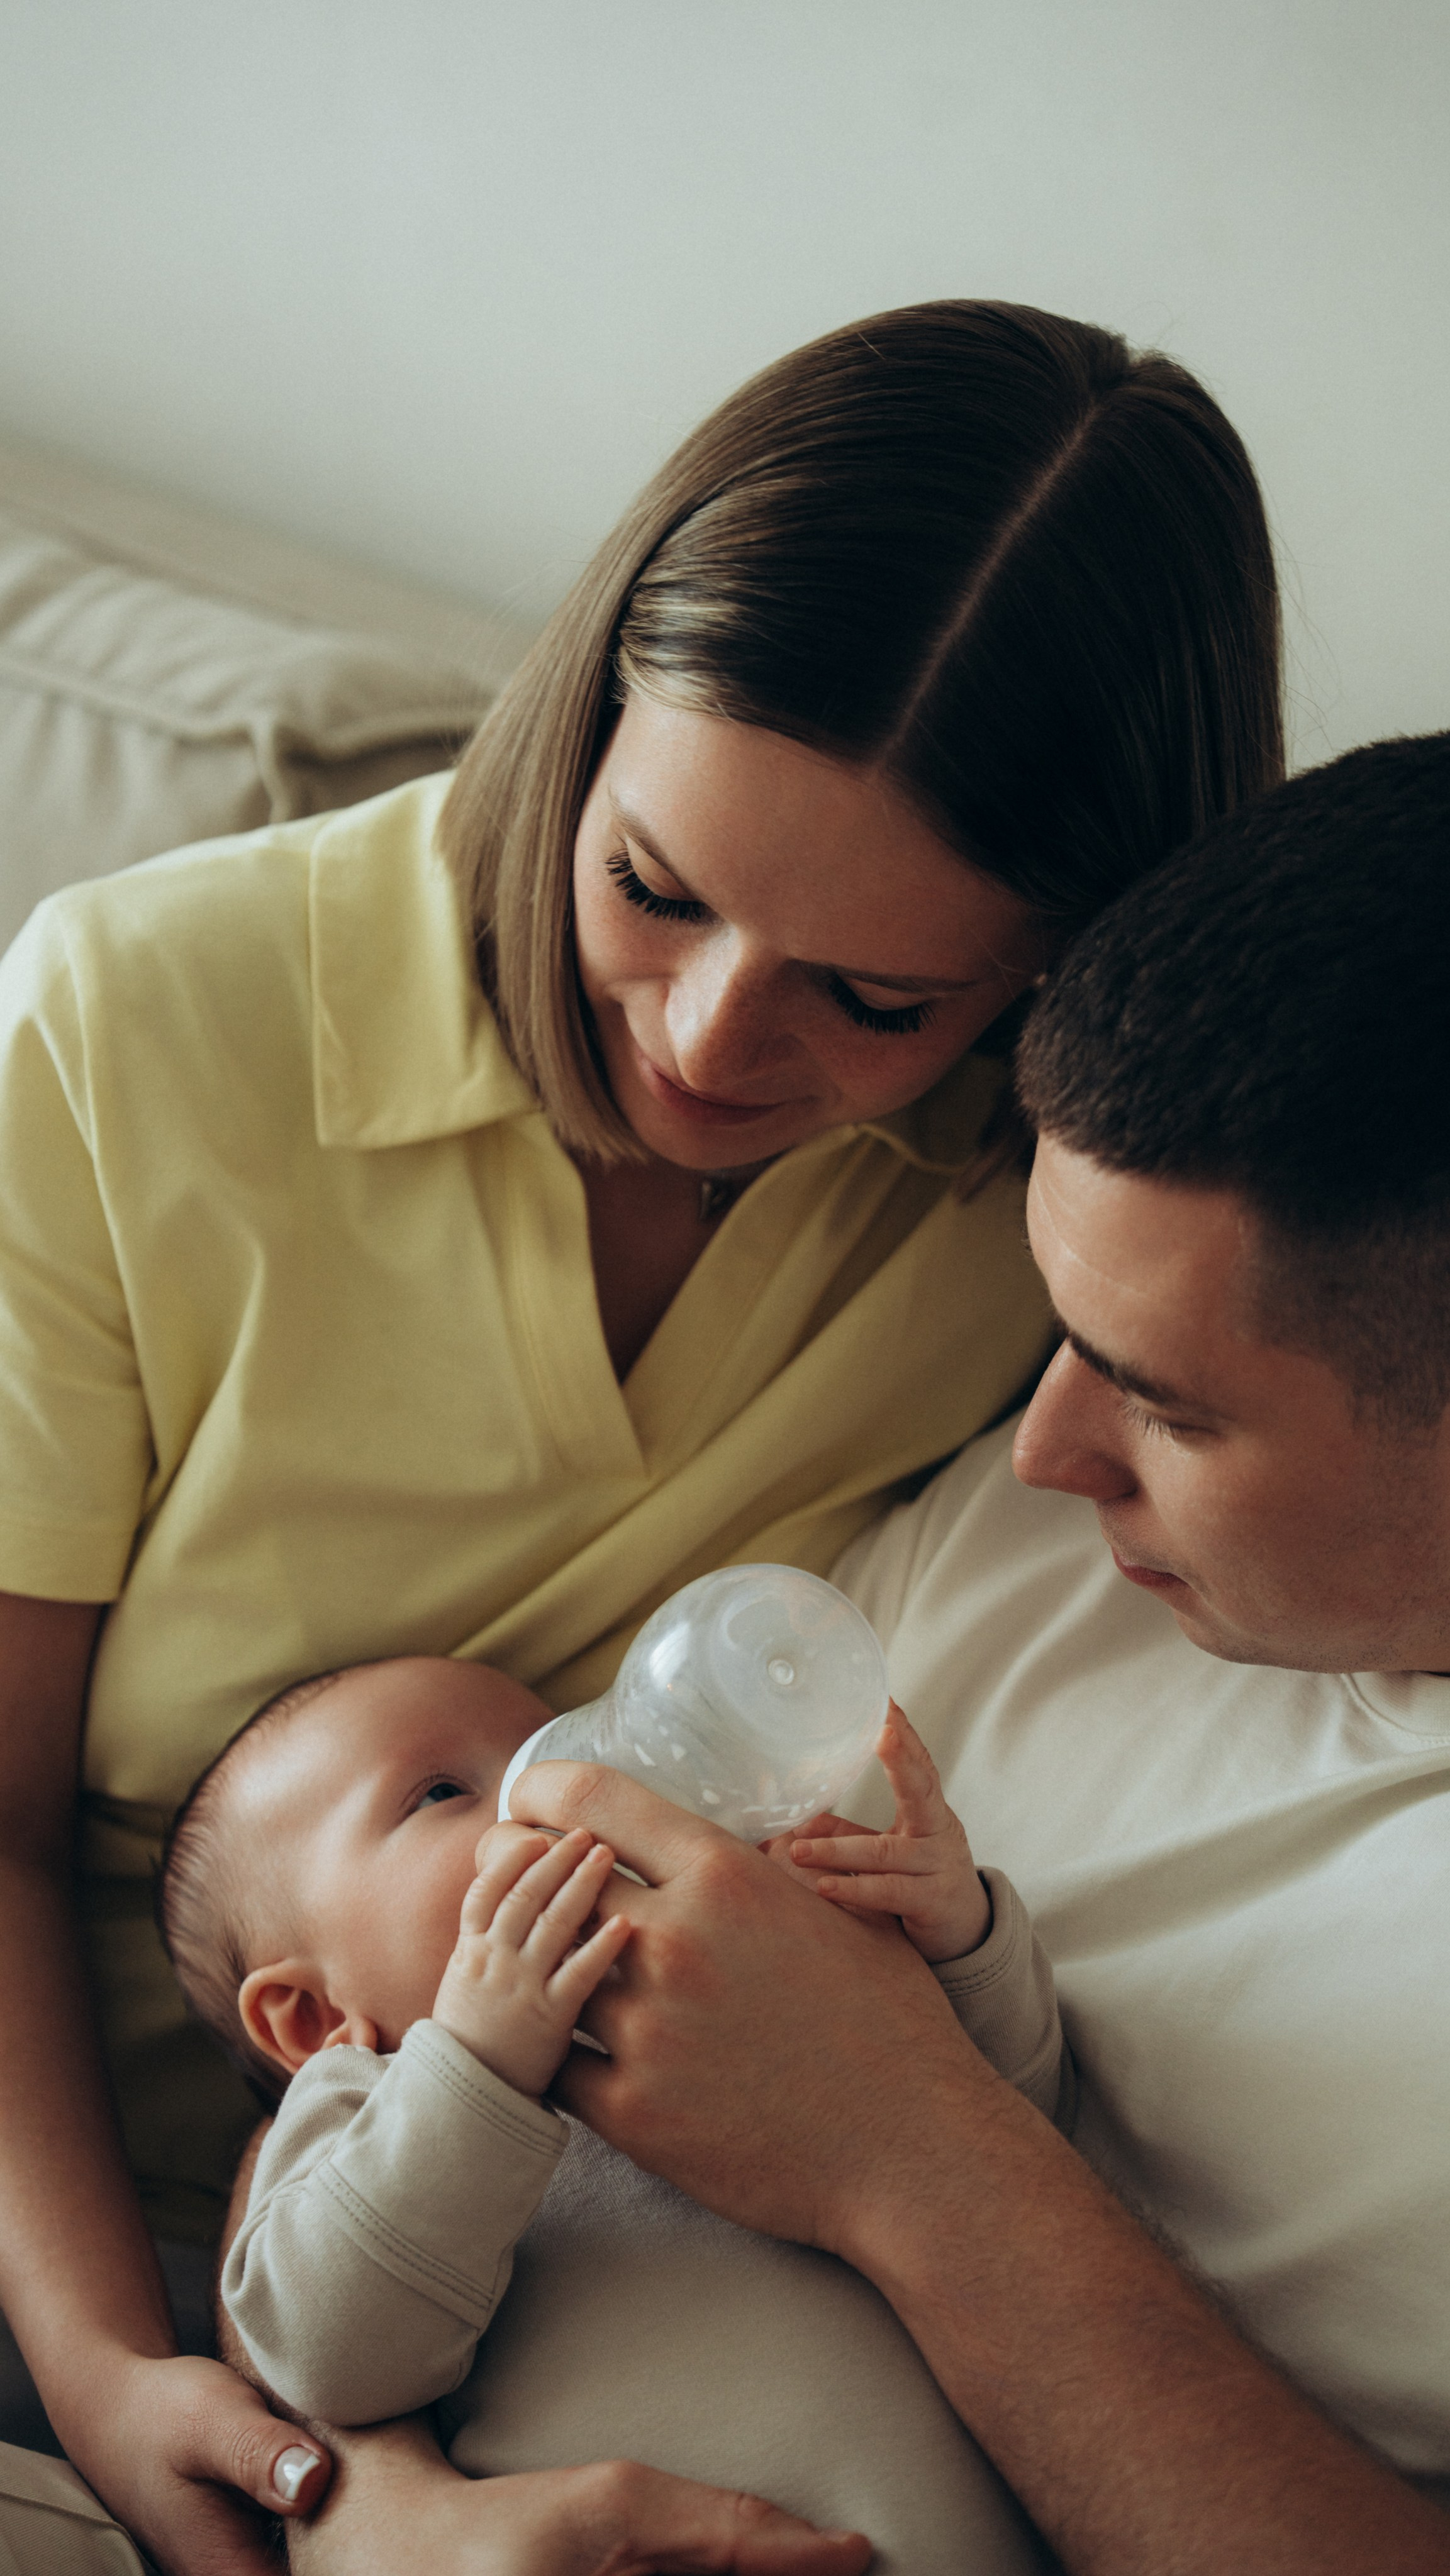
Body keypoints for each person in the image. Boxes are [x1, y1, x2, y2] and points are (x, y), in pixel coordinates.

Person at [0, 297, 1282, 2573]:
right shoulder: (132, 1032)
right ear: (581, 720)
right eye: (650, 887)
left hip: (603, 2250)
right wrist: (157, 2406)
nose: (701, 1038)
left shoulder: (1037, 1217)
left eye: (873, 997)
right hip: (104, 2225)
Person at [491, 734, 1450, 2576]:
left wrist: (905, 2154)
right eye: (1060, 1337)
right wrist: (366, 2500)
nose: (1043, 1451)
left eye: (1168, 1410)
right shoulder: (1051, 1541)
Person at [159, 1653, 1066, 2573]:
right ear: (311, 2019)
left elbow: (1005, 2136)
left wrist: (955, 1938)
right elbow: (332, 2360)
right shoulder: (358, 2109)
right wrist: (477, 2065)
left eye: (554, 1745)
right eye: (440, 1793)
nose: (559, 1790)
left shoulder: (760, 1985)